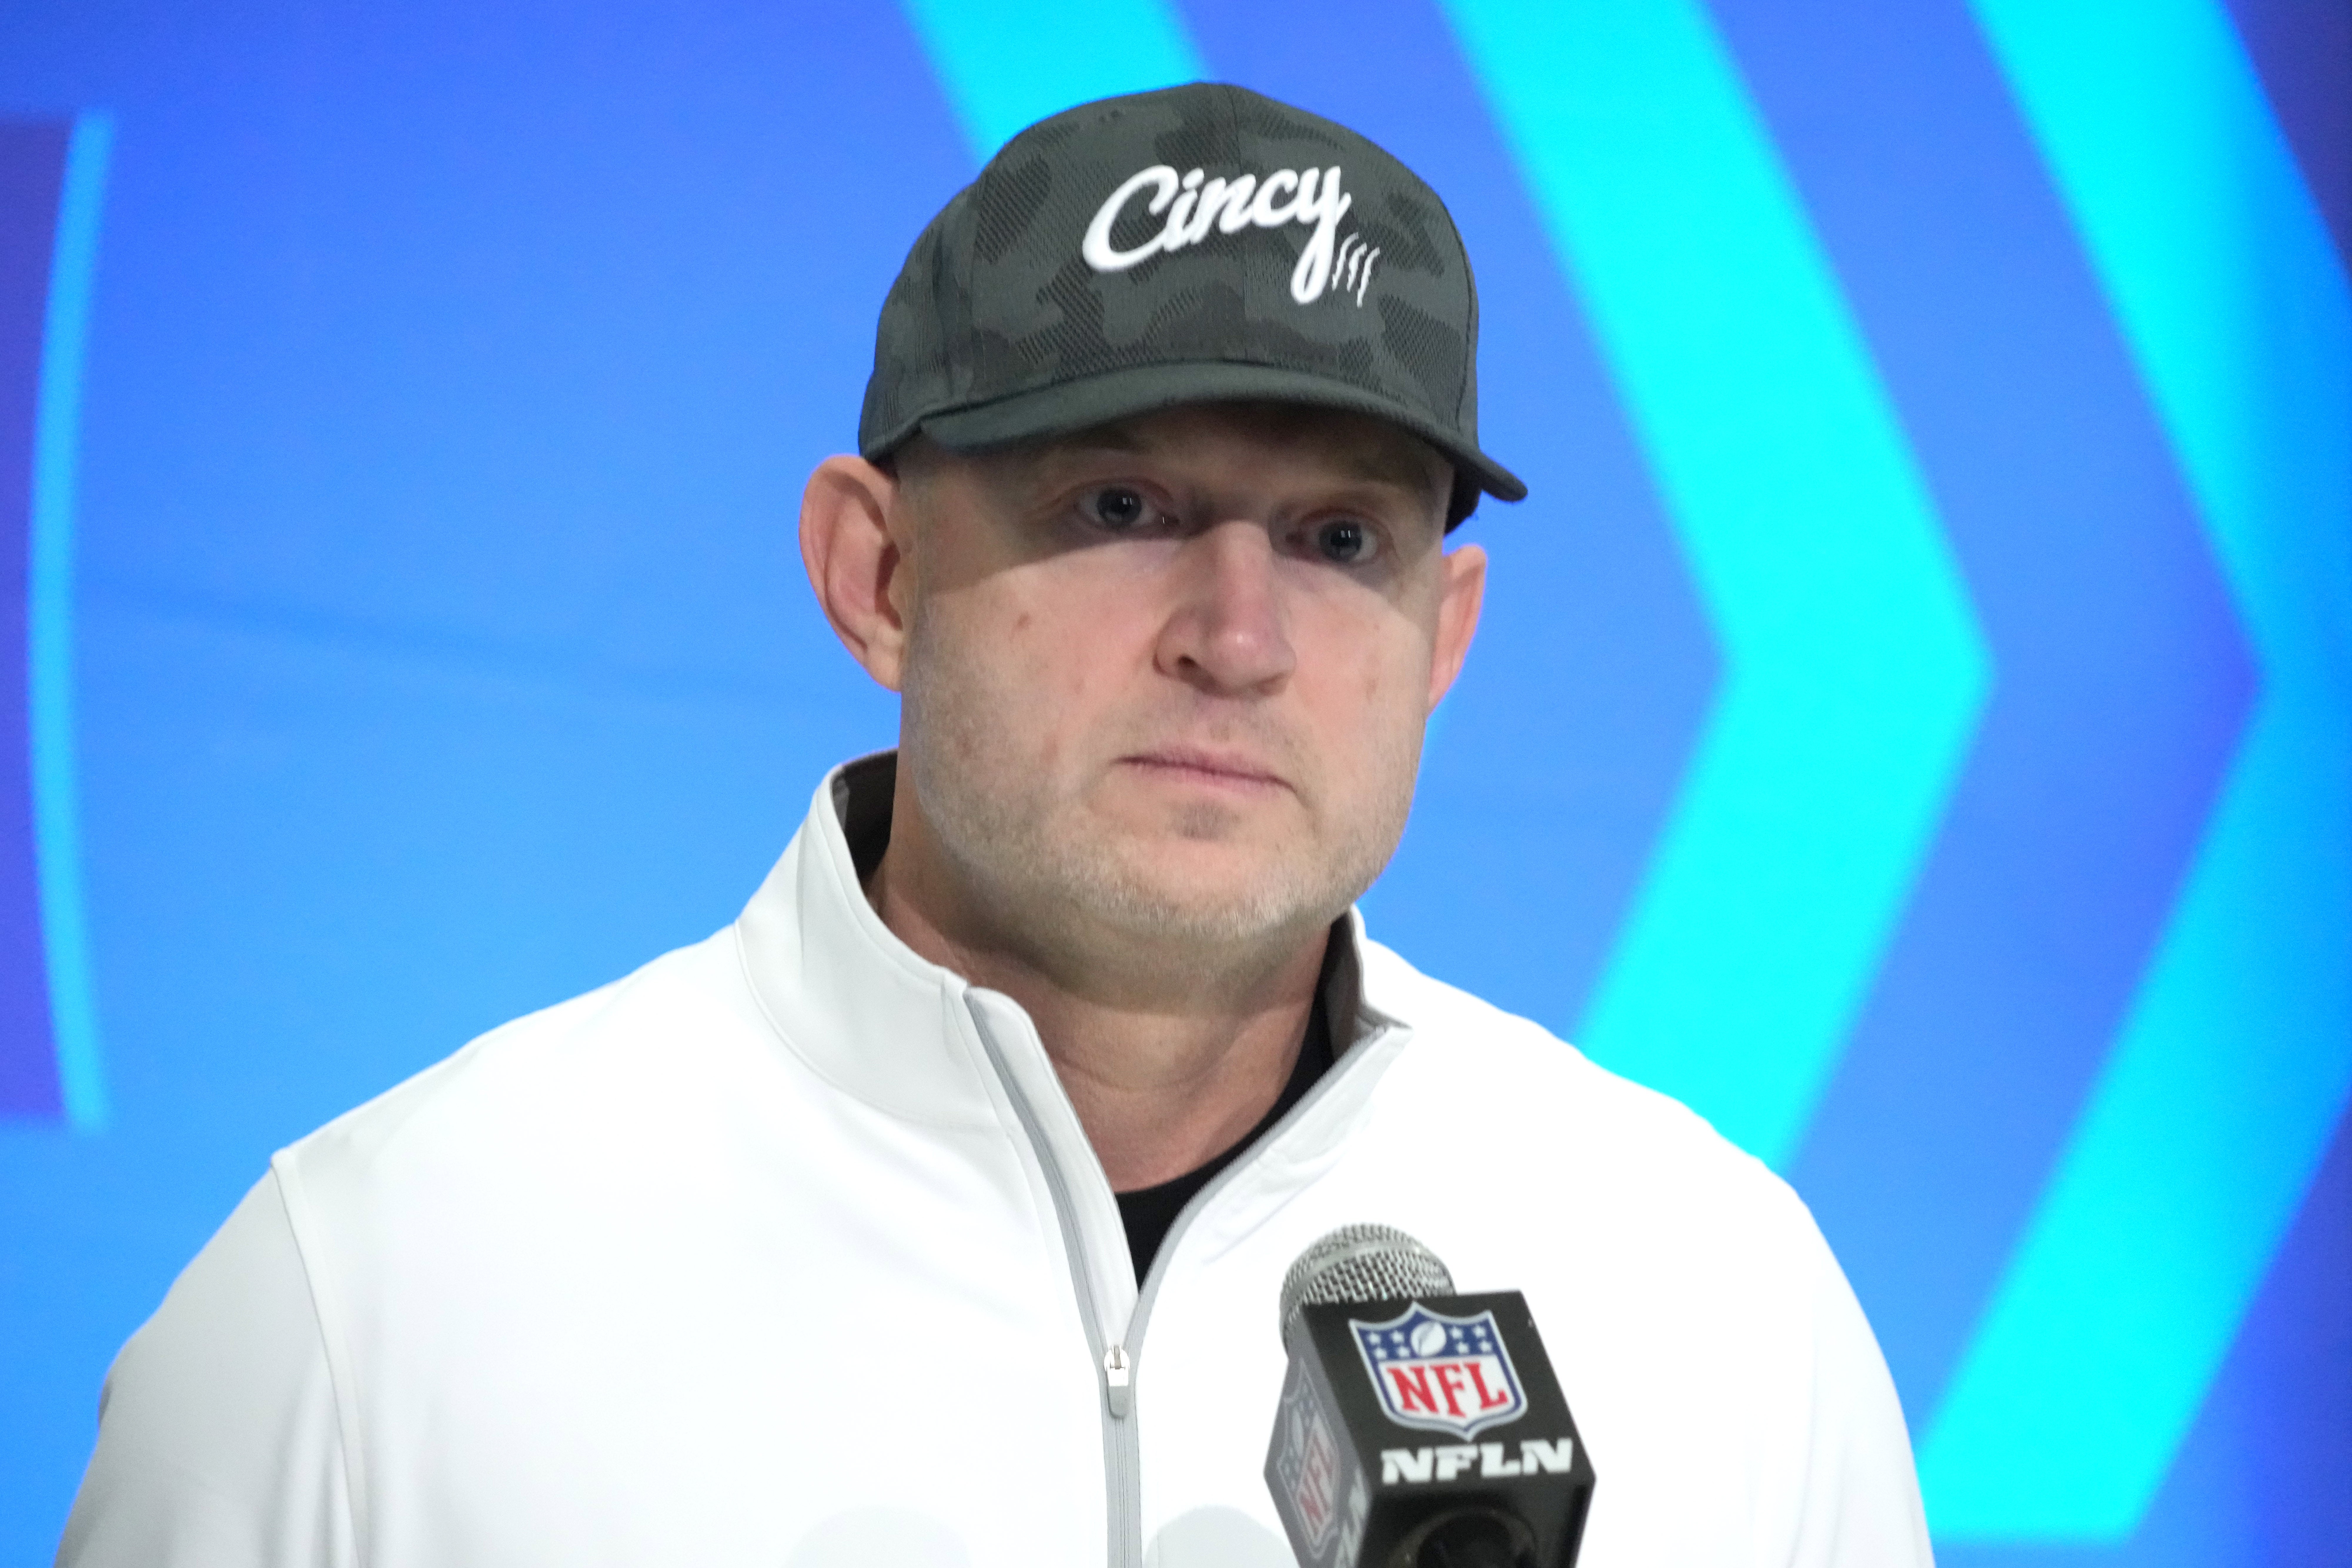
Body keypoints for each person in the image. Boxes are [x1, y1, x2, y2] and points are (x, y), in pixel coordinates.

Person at [57, 83, 1931, 1568]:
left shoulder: (1714, 1299)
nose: (1237, 635)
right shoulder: (378, 1296)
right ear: (873, 573)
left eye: (1339, 539)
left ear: (1442, 640)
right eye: (1120, 504)